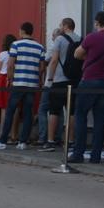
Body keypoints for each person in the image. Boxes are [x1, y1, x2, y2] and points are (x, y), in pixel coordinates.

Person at [69, 11, 104, 163]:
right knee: (100, 118)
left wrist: (89, 56)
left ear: (97, 22)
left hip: (90, 80)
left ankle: (78, 153)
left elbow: (77, 54)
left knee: (80, 115)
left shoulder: (92, 37)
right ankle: (96, 155)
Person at [0, 23, 46, 150]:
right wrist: (37, 78)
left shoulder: (16, 44)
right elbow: (42, 67)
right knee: (28, 113)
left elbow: (10, 65)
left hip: (18, 83)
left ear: (22, 31)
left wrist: (10, 79)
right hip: (32, 84)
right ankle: (22, 142)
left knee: (10, 110)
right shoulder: (40, 47)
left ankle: (2, 140)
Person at [45, 18, 80, 151]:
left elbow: (54, 61)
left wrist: (50, 79)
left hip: (59, 80)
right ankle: (70, 141)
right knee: (71, 112)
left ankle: (50, 141)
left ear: (66, 26)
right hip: (74, 80)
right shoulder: (80, 39)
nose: (60, 27)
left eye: (61, 24)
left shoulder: (59, 39)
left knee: (54, 111)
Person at [0, 34, 15, 135]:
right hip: (12, 79)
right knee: (12, 107)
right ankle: (12, 133)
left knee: (3, 108)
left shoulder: (2, 54)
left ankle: (2, 133)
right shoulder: (15, 54)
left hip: (2, 79)